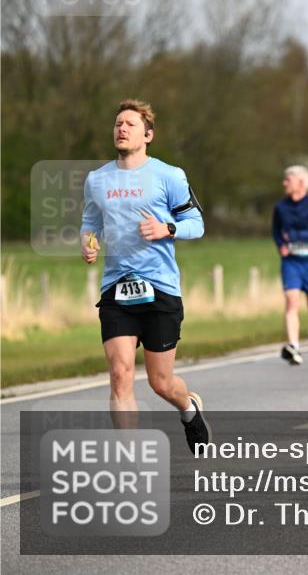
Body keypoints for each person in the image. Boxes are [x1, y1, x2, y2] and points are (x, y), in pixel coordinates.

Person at [80, 99, 210, 453]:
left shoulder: (169, 175)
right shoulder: (97, 179)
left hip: (160, 287)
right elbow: (91, 222)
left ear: (148, 135)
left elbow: (196, 224)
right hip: (116, 289)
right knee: (120, 375)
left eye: (130, 124)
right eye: (118, 123)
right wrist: (88, 243)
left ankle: (188, 408)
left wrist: (167, 228)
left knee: (161, 382)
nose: (121, 128)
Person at [273, 166, 308, 365]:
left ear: (301, 183)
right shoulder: (280, 207)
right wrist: (281, 245)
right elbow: (276, 231)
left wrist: (297, 236)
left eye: (288, 179)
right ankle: (294, 346)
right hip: (291, 262)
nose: (284, 183)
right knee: (291, 302)